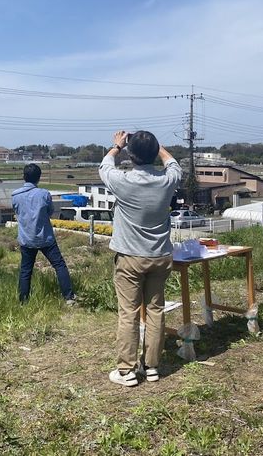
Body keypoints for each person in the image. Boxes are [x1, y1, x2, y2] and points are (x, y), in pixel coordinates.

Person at [99, 130, 181, 387]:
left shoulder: (122, 181)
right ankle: (152, 366)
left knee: (129, 313)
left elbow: (105, 164)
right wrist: (160, 149)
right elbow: (173, 164)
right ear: (155, 152)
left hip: (130, 258)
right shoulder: (168, 180)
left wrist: (117, 146)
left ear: (131, 155)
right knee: (155, 310)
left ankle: (126, 370)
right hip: (159, 256)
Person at [12, 163, 76, 305]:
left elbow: (17, 213)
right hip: (45, 237)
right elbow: (50, 212)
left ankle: (23, 301)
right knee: (59, 265)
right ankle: (69, 297)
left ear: (24, 177)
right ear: (38, 178)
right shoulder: (44, 194)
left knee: (25, 271)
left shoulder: (15, 196)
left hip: (26, 238)